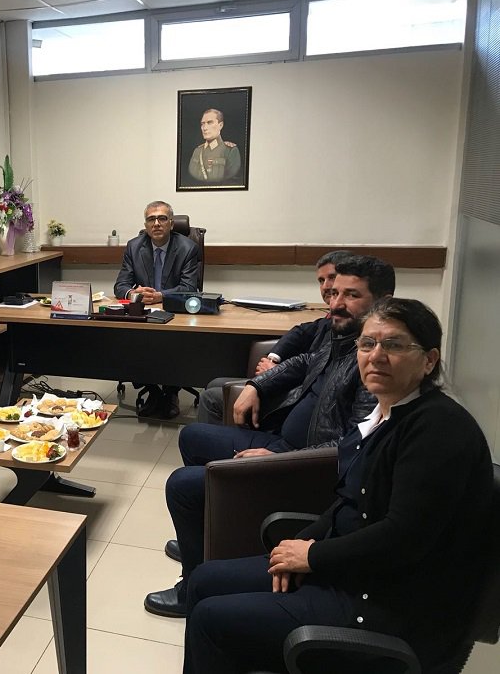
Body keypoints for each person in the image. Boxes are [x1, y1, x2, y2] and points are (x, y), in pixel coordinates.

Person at [182, 298, 493, 674]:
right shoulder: (385, 414)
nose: (376, 356)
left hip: (382, 605)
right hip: (350, 570)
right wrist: (299, 546)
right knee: (203, 580)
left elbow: (403, 538)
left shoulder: (437, 431)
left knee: (211, 620)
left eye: (393, 345)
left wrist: (313, 557)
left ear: (429, 360)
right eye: (367, 343)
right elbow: (349, 502)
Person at [144, 255, 394, 619]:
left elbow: (355, 446)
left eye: (351, 295)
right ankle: (203, 539)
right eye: (334, 291)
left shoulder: (373, 360)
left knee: (182, 485)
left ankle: (191, 587)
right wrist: (256, 386)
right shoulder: (340, 335)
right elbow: (303, 362)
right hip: (285, 445)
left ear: (382, 302)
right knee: (193, 437)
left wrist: (278, 460)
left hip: (302, 466)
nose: (335, 302)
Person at [197, 250, 353, 424]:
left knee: (211, 398)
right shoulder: (330, 318)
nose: (325, 286)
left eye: (332, 277)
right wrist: (274, 358)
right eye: (321, 281)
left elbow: (317, 367)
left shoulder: (349, 323)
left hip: (301, 398)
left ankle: (223, 437)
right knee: (215, 383)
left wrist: (275, 373)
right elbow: (300, 331)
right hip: (296, 383)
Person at [113, 200, 200, 419]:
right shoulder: (134, 246)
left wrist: (161, 296)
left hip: (176, 313)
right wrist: (134, 294)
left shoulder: (188, 248)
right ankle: (152, 390)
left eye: (162, 218)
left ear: (171, 223)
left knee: (175, 344)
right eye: (151, 219)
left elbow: (190, 288)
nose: (157, 223)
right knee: (131, 340)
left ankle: (171, 392)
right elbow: (120, 285)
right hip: (145, 313)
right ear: (145, 225)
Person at [188, 109, 241, 183]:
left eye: (210, 123)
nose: (204, 128)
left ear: (220, 125)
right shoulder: (197, 151)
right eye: (202, 124)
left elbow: (231, 180)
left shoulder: (230, 151)